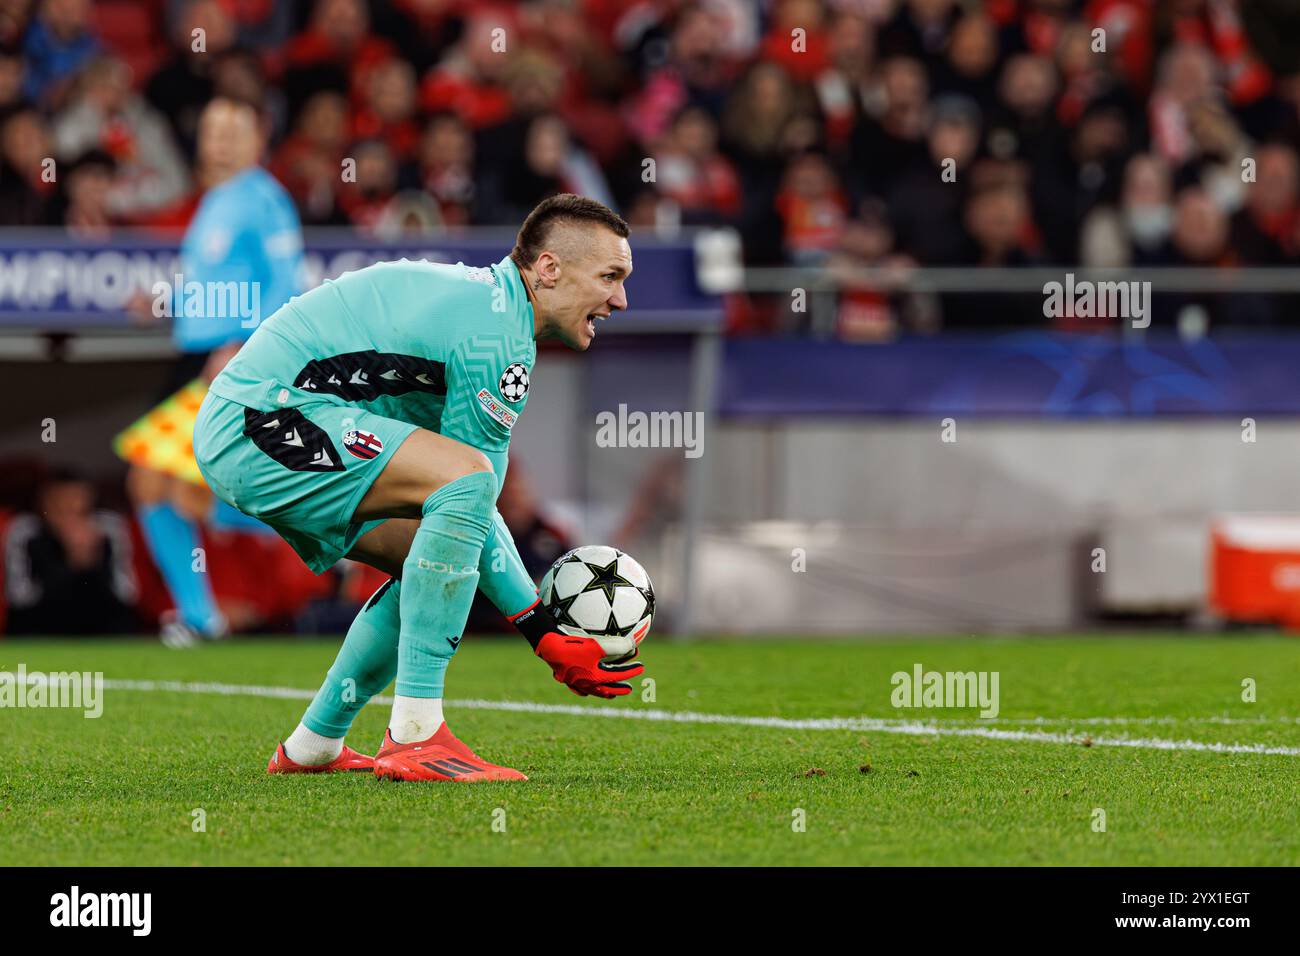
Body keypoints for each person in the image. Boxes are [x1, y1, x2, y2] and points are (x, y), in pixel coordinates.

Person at [193, 193, 642, 782]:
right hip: (262, 418)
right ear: (549, 269)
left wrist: (536, 626)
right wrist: (540, 630)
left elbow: (466, 520)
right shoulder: (497, 337)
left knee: (431, 563)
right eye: (610, 276)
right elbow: (472, 489)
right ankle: (417, 733)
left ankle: (313, 745)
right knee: (464, 490)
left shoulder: (491, 310)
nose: (620, 298)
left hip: (255, 420)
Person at [126, 96, 304, 646]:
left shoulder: (265, 199)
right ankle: (200, 617)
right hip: (194, 355)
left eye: (233, 130)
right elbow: (213, 284)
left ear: (259, 138)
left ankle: (324, 527)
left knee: (178, 489)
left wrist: (242, 344)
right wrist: (165, 300)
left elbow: (284, 282)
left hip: (229, 359)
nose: (221, 141)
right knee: (156, 485)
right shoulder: (213, 201)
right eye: (212, 130)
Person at [4, 468, 139, 635]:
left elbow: (128, 594)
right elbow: (19, 598)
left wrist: (92, 560)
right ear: (44, 505)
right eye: (62, 508)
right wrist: (68, 563)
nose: (71, 517)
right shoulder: (25, 530)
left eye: (80, 509)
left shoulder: (109, 528)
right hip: (42, 630)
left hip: (102, 630)